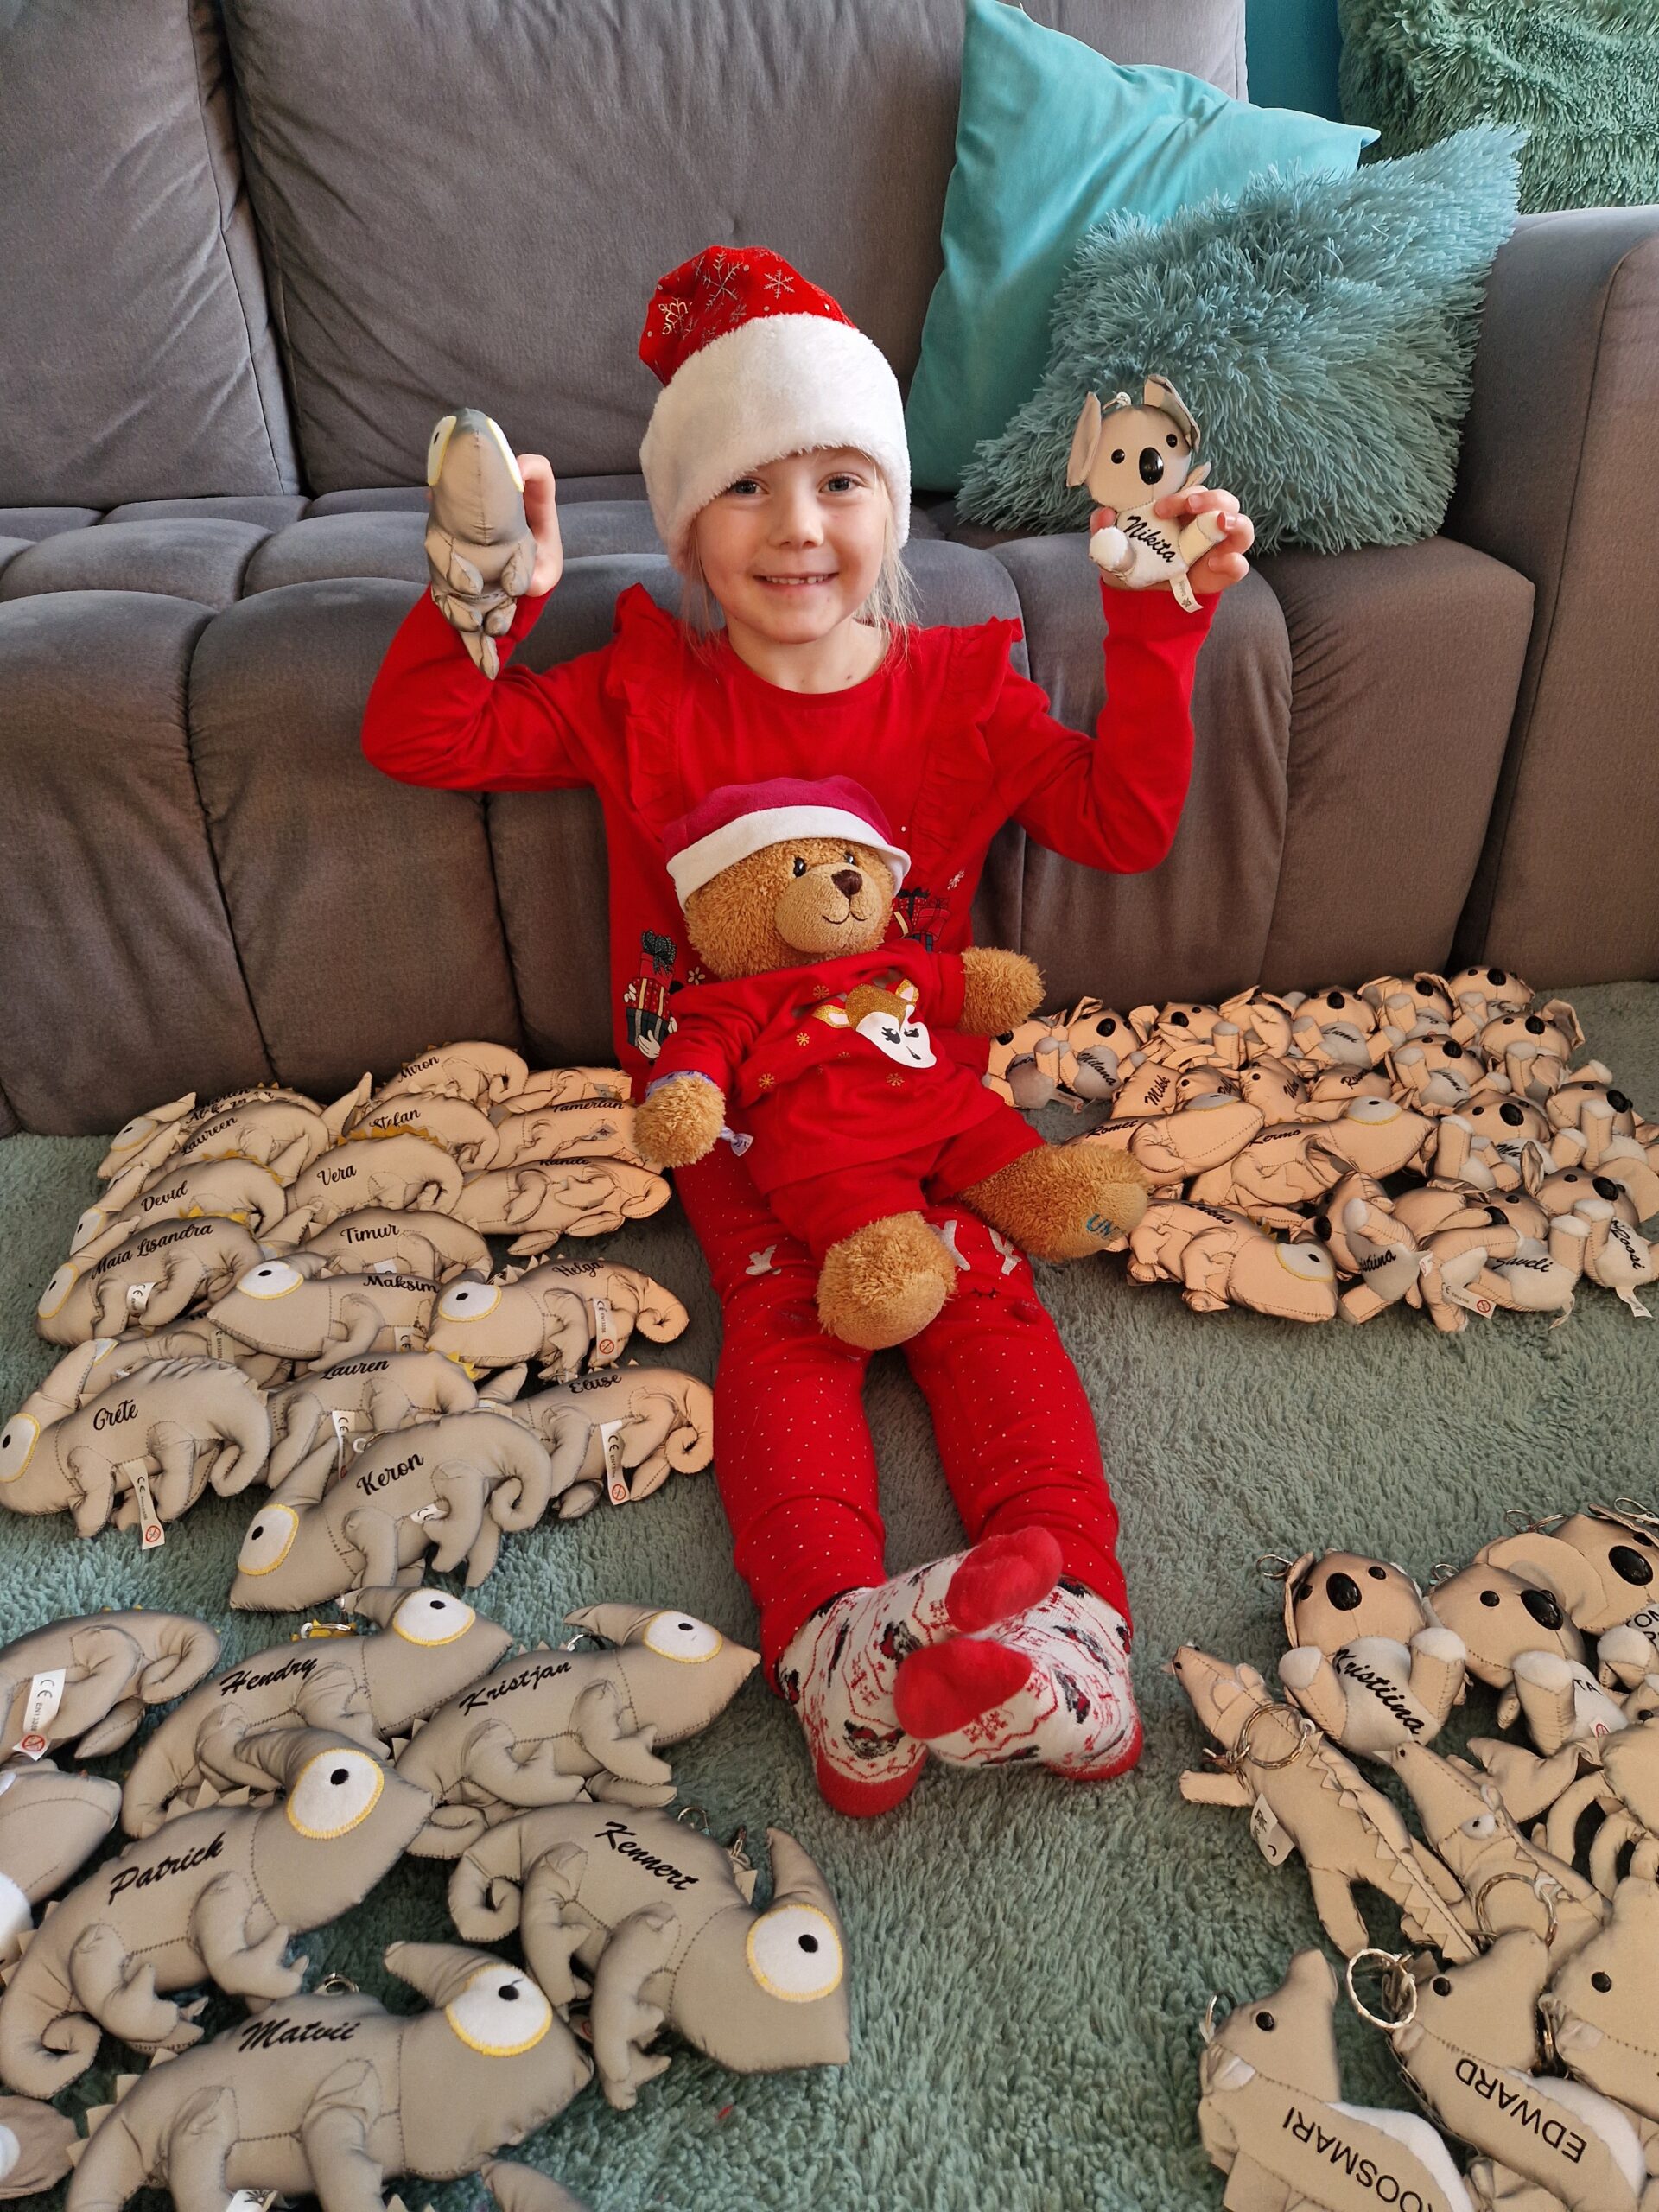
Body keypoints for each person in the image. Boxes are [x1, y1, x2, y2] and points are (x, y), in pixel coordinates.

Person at [362, 244, 1255, 1816]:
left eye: (840, 480)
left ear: (892, 509)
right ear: (688, 528)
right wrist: (493, 596)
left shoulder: (959, 694)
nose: (796, 526)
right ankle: (838, 1646)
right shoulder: (640, 693)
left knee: (990, 1306)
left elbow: (1122, 823)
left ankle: (1067, 1621)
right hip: (735, 1112)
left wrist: (1159, 633)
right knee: (786, 1327)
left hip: (926, 1103)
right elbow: (421, 733)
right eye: (748, 487)